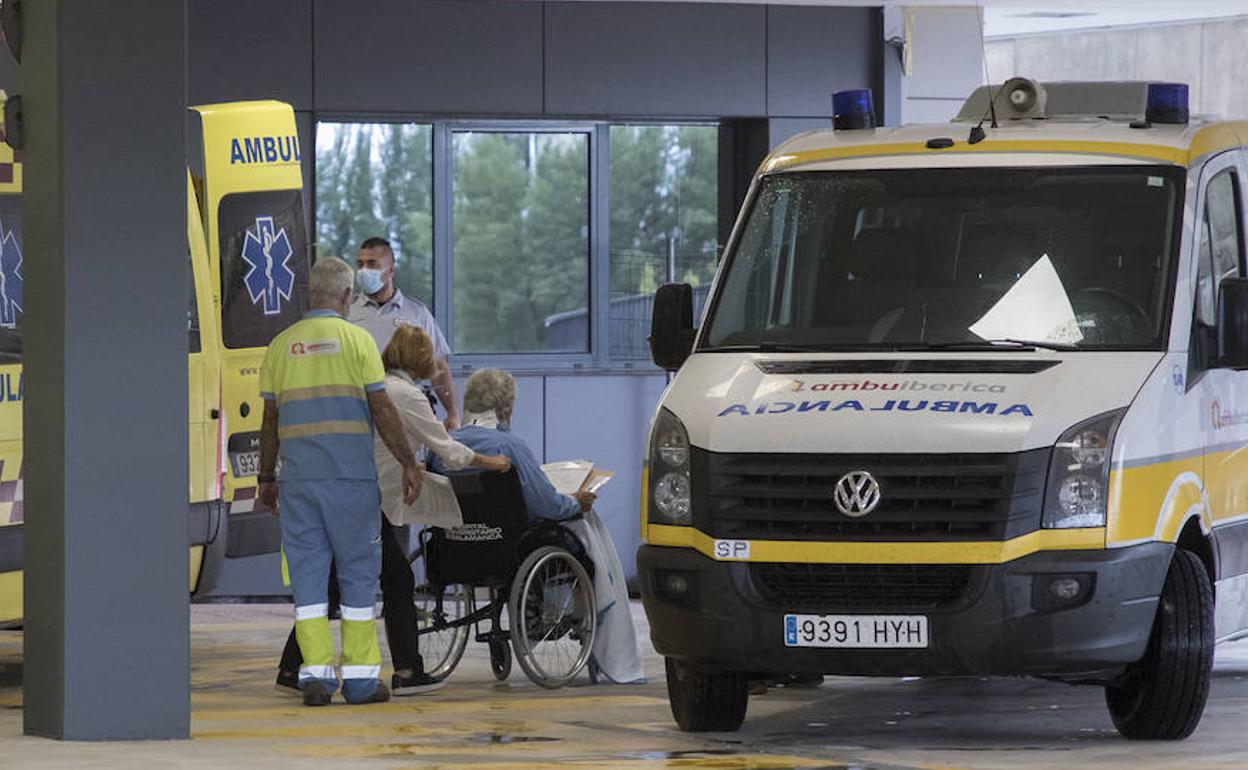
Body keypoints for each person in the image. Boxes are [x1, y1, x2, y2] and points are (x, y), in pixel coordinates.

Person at [274, 325, 509, 696]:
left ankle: (292, 670)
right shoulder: (406, 395)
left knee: (333, 581)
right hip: (368, 499)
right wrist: (490, 461)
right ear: (421, 358)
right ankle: (405, 671)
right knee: (396, 579)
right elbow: (448, 448)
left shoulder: (377, 386)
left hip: (340, 489)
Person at [258, 256, 422, 707]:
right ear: (347, 297)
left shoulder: (281, 345)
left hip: (298, 483)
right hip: (350, 481)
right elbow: (382, 409)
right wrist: (408, 462)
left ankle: (314, 678)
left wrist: (265, 477)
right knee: (356, 577)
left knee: (309, 580)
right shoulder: (358, 341)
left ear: (311, 293)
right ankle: (361, 682)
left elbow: (270, 419)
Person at [431, 369, 645, 684]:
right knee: (585, 531)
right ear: (505, 408)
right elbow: (547, 505)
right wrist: (577, 502)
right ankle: (599, 630)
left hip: (455, 548)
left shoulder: (442, 448)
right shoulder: (511, 447)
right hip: (509, 550)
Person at [348, 237, 459, 430]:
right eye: (360, 264)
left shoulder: (416, 313)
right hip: (359, 412)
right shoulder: (347, 312)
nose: (364, 270)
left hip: (405, 412)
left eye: (372, 264)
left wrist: (452, 412)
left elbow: (439, 366)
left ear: (390, 270)